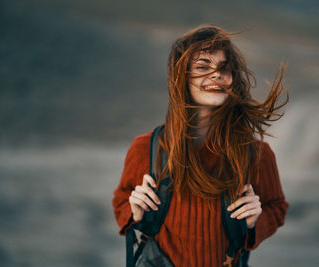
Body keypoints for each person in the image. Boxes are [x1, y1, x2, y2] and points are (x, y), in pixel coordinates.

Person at [112, 24, 289, 267]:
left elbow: (277, 208)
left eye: (224, 67)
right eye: (203, 66)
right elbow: (121, 200)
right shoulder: (146, 148)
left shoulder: (256, 154)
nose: (217, 75)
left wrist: (255, 220)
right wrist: (135, 212)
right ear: (180, 77)